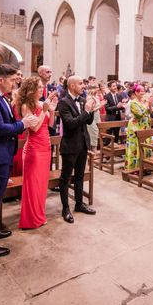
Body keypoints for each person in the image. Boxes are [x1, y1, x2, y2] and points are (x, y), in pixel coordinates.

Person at [0, 64, 38, 258]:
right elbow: (0, 129)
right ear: (0, 80)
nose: (15, 82)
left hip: (2, 153)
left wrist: (18, 124)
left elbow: (7, 124)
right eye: (12, 80)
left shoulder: (0, 98)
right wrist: (23, 124)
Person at [57, 75, 100, 223]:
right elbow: (70, 124)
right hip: (70, 146)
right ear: (72, 86)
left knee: (80, 175)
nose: (84, 86)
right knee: (66, 178)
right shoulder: (63, 103)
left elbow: (88, 121)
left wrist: (91, 110)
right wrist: (86, 111)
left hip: (82, 144)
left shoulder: (82, 100)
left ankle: (79, 204)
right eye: (81, 84)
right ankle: (65, 208)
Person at [16, 76, 57, 230]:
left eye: (42, 87)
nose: (42, 89)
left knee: (41, 184)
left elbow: (50, 125)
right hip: (34, 150)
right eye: (39, 87)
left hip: (45, 147)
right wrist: (44, 110)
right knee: (32, 185)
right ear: (31, 89)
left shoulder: (41, 103)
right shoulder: (26, 106)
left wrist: (51, 111)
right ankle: (30, 219)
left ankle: (40, 215)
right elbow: (34, 128)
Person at [125, 85, 153, 171]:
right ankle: (135, 169)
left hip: (145, 126)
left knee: (145, 147)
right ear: (136, 92)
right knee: (135, 148)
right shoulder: (133, 102)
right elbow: (140, 114)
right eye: (140, 91)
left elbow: (149, 112)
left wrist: (150, 106)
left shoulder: (144, 101)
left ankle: (145, 168)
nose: (143, 93)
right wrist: (147, 104)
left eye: (143, 91)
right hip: (136, 127)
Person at [85, 83, 103, 150]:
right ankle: (92, 151)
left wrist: (100, 106)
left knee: (96, 133)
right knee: (93, 133)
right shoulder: (89, 97)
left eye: (98, 87)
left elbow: (98, 107)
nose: (98, 89)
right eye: (96, 88)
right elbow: (90, 110)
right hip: (91, 117)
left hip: (97, 116)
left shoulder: (97, 97)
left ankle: (94, 151)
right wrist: (100, 106)